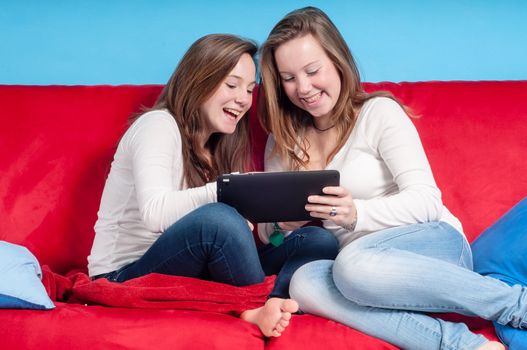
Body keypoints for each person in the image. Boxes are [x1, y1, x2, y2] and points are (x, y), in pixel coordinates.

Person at [258, 6, 527, 349]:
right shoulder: (282, 142)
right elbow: (273, 238)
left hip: (431, 246)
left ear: (338, 61)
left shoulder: (378, 113)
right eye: (289, 78)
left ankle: (518, 305)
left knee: (352, 265)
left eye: (313, 71)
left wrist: (357, 214)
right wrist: (282, 227)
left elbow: (427, 201)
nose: (304, 87)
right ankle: (466, 346)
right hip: (360, 273)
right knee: (305, 282)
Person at [87, 34, 339, 338]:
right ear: (198, 81)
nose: (243, 99)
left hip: (190, 267)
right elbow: (156, 213)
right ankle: (255, 306)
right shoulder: (157, 125)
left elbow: (233, 235)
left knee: (315, 239)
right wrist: (225, 192)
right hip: (123, 275)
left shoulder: (216, 146)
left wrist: (276, 225)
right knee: (218, 219)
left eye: (249, 89)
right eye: (232, 85)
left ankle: (272, 304)